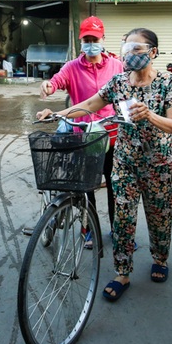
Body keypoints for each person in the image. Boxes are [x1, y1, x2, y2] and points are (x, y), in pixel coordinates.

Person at [36, 28, 172, 302]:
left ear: (152, 52)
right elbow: (90, 104)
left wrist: (150, 115)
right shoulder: (118, 82)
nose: (129, 55)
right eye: (126, 49)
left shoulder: (167, 83)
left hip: (158, 163)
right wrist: (57, 112)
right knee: (123, 218)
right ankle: (122, 273)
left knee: (159, 217)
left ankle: (160, 259)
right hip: (125, 161)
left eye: (136, 49)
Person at [39, 16, 123, 235]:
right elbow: (55, 82)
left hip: (111, 136)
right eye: (86, 39)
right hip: (83, 138)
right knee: (86, 189)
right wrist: (48, 86)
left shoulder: (117, 65)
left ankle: (117, 230)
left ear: (103, 38)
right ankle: (88, 230)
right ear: (81, 41)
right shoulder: (72, 67)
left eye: (95, 38)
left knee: (115, 186)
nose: (91, 43)